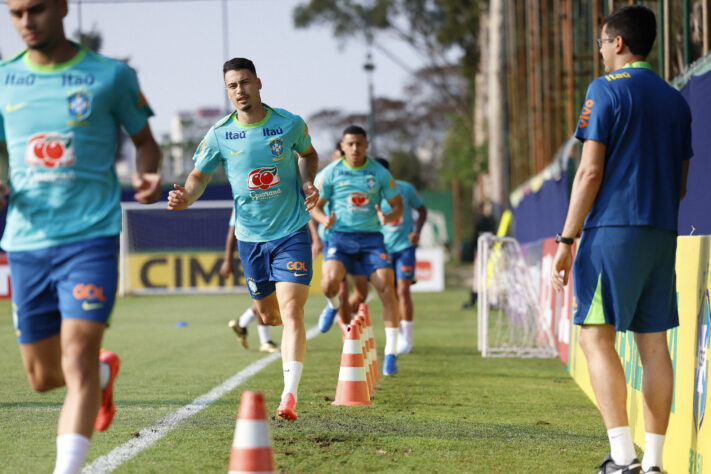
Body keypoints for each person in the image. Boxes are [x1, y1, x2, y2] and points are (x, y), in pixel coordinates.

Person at [0, 1, 162, 472]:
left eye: (36, 9)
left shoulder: (110, 76)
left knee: (77, 356)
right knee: (44, 377)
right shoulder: (5, 78)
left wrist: (147, 175)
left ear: (63, 7)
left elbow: (146, 142)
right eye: (14, 12)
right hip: (27, 241)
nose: (26, 21)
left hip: (90, 236)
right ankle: (105, 371)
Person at [550, 6, 692, 474]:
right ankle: (653, 463)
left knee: (594, 336)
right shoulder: (677, 100)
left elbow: (589, 171)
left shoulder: (603, 90)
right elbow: (682, 185)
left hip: (613, 229)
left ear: (617, 43)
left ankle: (622, 457)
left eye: (600, 43)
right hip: (662, 231)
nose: (600, 53)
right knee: (654, 346)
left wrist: (567, 239)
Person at [168, 58, 319, 422]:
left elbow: (309, 154)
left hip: (292, 232)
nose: (240, 90)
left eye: (245, 82)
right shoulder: (219, 133)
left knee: (292, 311)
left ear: (259, 83)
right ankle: (274, 333)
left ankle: (289, 395)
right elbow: (198, 175)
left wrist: (308, 182)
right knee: (268, 317)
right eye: (233, 85)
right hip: (250, 240)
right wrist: (187, 196)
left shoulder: (288, 123)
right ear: (227, 90)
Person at [311, 125, 404, 375]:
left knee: (387, 288)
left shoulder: (379, 173)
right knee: (328, 283)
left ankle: (391, 353)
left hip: (372, 239)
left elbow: (398, 206)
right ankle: (332, 306)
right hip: (340, 238)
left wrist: (389, 215)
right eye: (349, 144)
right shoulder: (330, 173)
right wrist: (323, 219)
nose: (354, 148)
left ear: (367, 145)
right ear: (342, 146)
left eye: (359, 144)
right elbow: (314, 207)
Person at [311, 143, 369, 335]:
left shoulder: (357, 178)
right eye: (340, 154)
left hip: (356, 239)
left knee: (361, 292)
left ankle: (336, 307)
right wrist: (316, 238)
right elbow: (310, 210)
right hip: (332, 240)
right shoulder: (324, 178)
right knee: (341, 288)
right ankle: (345, 329)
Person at [374, 158, 427, 354]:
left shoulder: (405, 188)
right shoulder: (372, 192)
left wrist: (417, 231)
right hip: (382, 247)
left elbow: (422, 210)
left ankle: (408, 338)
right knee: (390, 292)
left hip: (405, 246)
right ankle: (395, 334)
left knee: (403, 290)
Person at [219, 210, 278, 353]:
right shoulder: (241, 202)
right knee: (267, 294)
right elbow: (232, 232)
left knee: (273, 294)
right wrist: (227, 260)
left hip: (273, 247)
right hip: (256, 251)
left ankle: (242, 323)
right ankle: (264, 341)